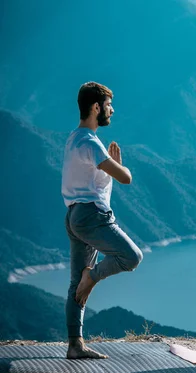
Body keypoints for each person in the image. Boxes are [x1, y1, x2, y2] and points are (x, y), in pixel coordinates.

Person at [61, 82, 143, 359]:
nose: (112, 110)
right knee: (132, 257)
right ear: (96, 107)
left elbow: (94, 182)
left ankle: (75, 344)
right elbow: (126, 178)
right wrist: (120, 166)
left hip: (74, 215)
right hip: (92, 216)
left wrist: (110, 167)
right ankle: (92, 276)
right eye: (108, 105)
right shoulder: (90, 143)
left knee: (75, 283)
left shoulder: (74, 138)